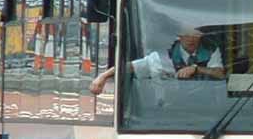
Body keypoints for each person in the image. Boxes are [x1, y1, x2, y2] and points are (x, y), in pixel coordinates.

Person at [90, 26, 225, 95]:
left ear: (201, 36)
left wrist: (196, 68)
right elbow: (130, 67)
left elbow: (220, 74)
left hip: (206, 106)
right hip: (167, 109)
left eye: (195, 34)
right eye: (187, 34)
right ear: (179, 36)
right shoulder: (161, 57)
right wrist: (103, 76)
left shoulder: (211, 51)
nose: (191, 38)